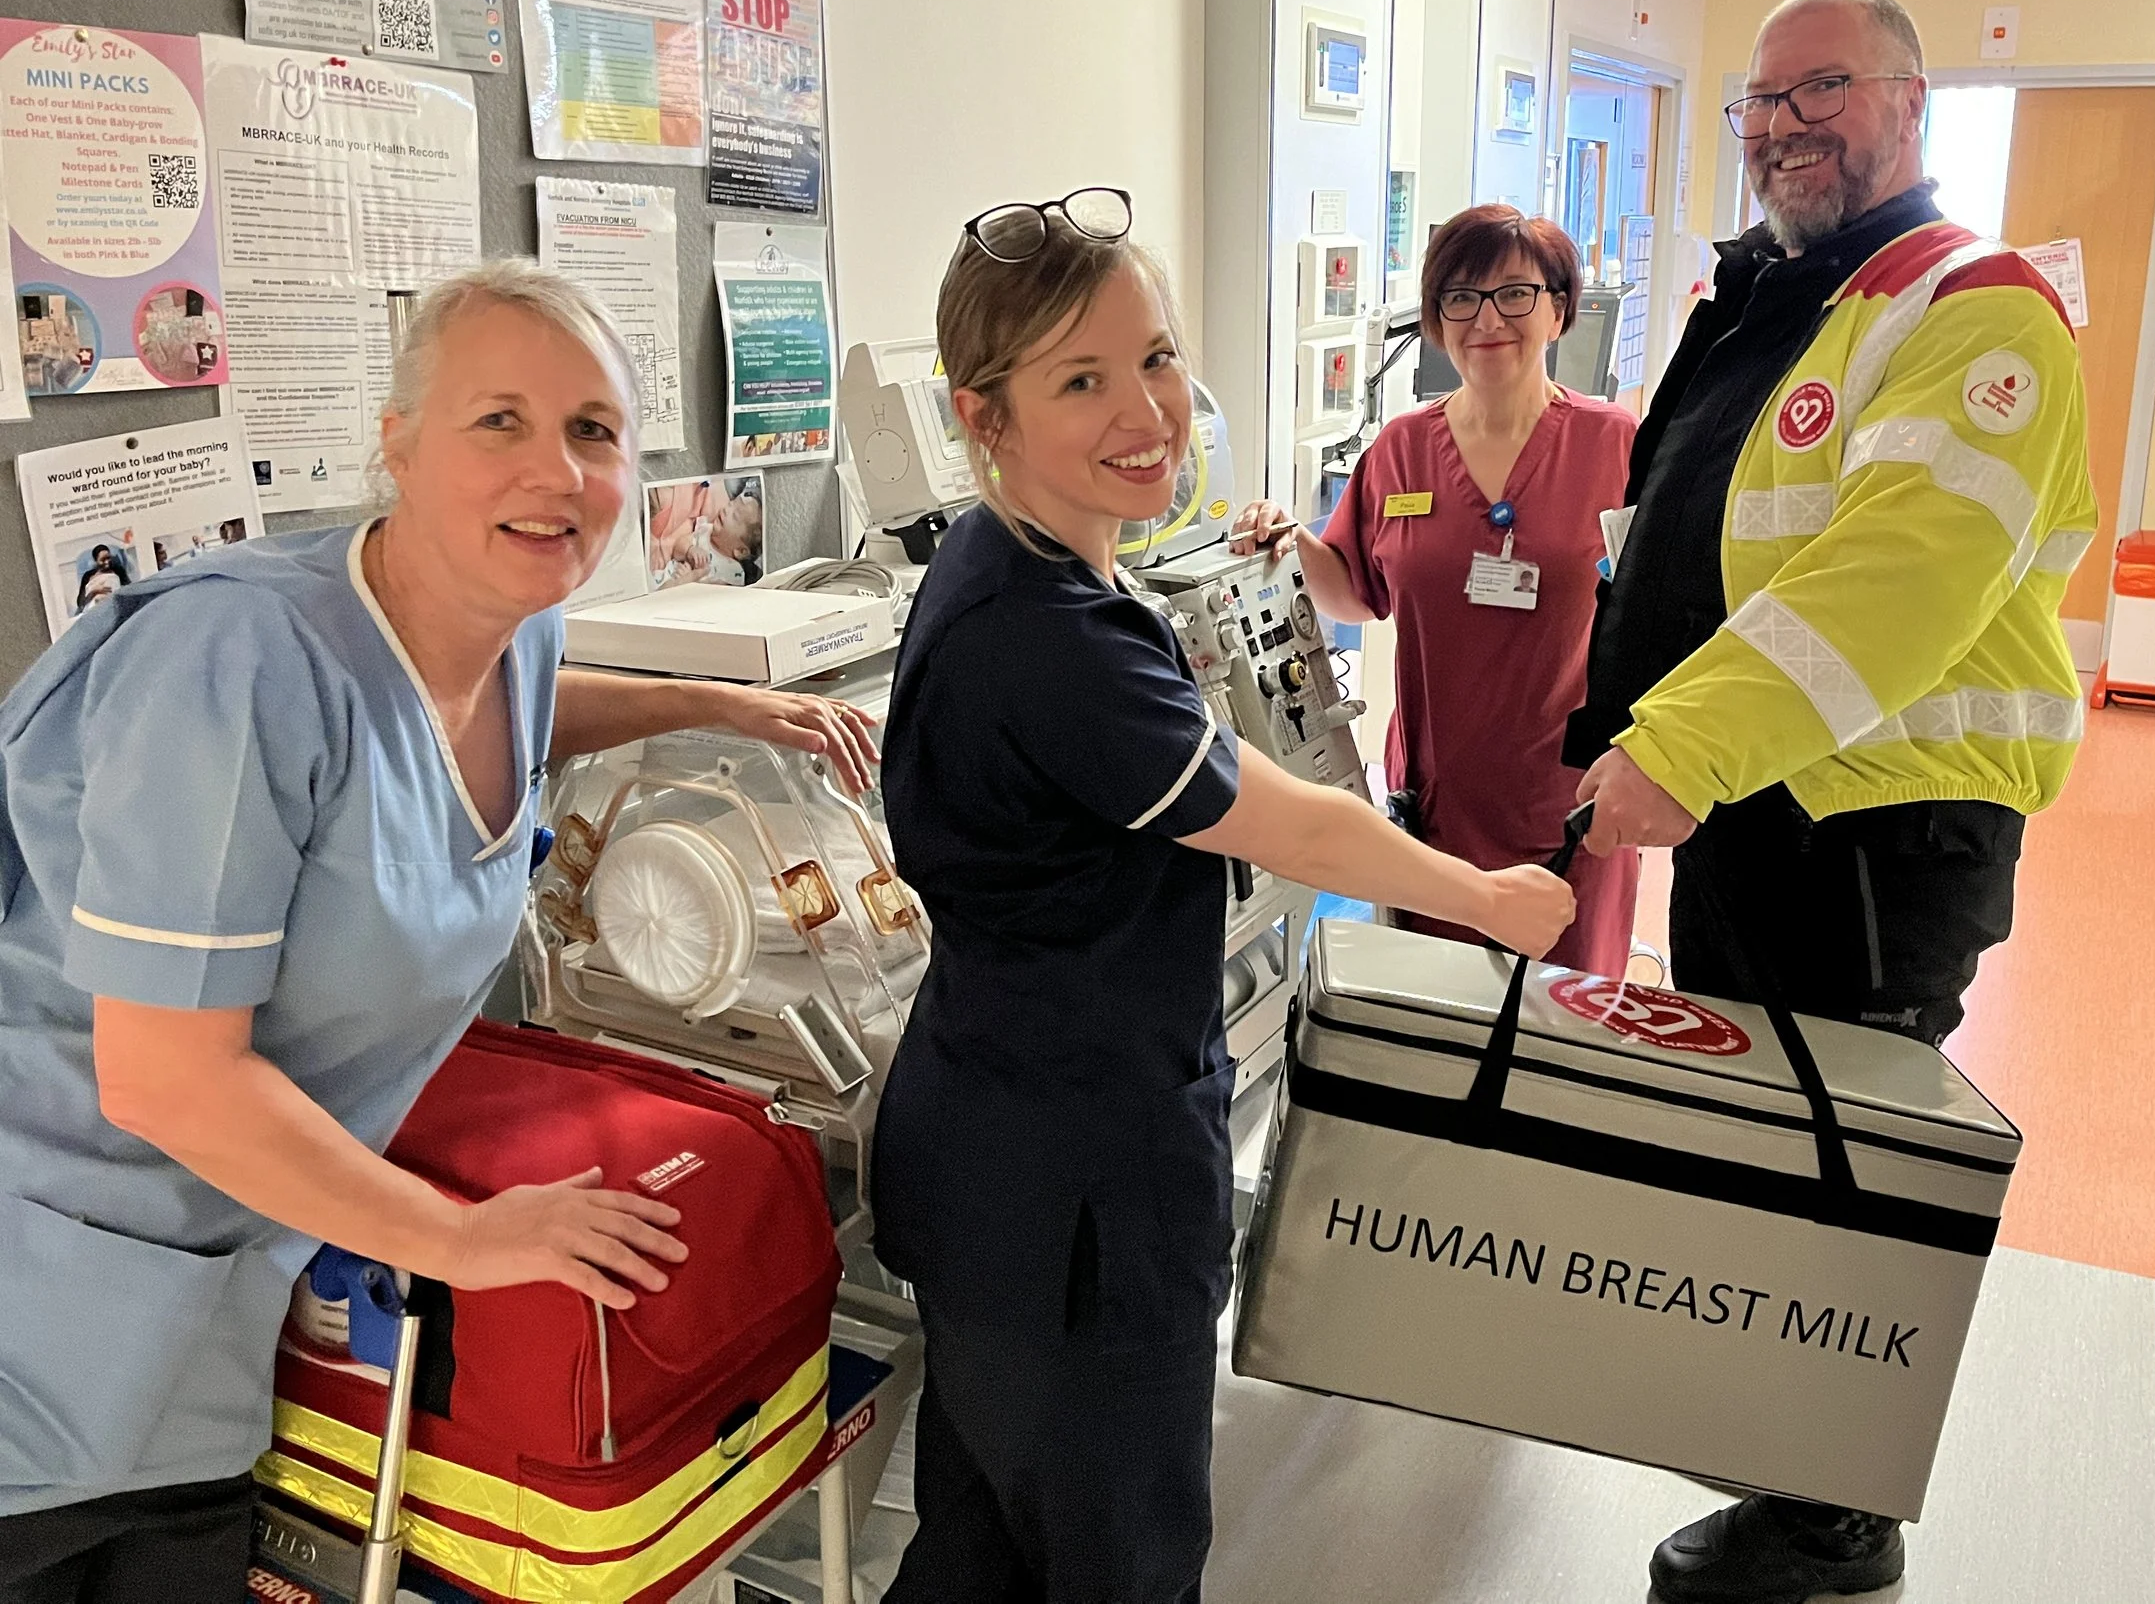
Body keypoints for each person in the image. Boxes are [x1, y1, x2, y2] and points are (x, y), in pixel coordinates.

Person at [0, 261, 879, 1601]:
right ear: (397, 440)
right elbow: (165, 1075)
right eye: (498, 420)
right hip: (54, 1308)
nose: (556, 468)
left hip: (213, 1300)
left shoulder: (499, 620)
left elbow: (522, 706)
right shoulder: (236, 667)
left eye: (592, 428)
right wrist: (464, 1238)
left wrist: (721, 708)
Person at [873, 190, 1575, 1604]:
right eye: (1082, 378)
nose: (1149, 408)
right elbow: (1294, 822)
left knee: (989, 1537)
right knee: (1113, 1547)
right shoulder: (1050, 635)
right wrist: (1486, 898)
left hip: (1005, 1140)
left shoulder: (1013, 560)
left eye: (1159, 356)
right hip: (1078, 1182)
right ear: (982, 414)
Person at [1561, 0, 2097, 1603]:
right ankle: (1799, 1453)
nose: (1787, 123)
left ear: (1912, 101)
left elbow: (1894, 575)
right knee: (1777, 1135)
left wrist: (1678, 746)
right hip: (1764, 817)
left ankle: (1830, 1535)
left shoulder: (1971, 308)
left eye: (1826, 89)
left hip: (1877, 825)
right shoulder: (1786, 300)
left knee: (1843, 1153)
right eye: (1763, 100)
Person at [1231, 203, 1639, 975]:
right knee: (1439, 1043)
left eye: (1515, 293)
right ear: (1436, 320)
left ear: (1558, 309)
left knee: (1566, 1045)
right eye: (1460, 297)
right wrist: (1288, 541)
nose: (1487, 318)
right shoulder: (1402, 449)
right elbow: (1358, 593)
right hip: (1435, 812)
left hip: (1571, 809)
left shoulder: (1616, 444)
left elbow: (1668, 618)